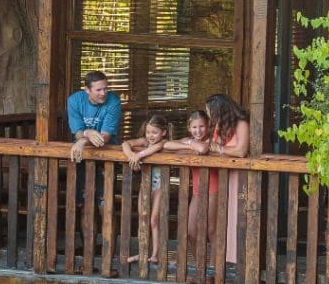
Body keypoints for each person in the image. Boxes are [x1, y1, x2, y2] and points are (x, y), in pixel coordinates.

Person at [204, 94, 250, 265]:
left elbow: (241, 150)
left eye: (210, 112)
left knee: (236, 217)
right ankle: (221, 261)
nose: (209, 116)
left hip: (238, 176)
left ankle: (238, 260)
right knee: (221, 220)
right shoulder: (220, 126)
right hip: (222, 176)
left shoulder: (241, 123)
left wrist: (220, 149)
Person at [164, 109, 217, 259]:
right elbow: (166, 145)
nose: (198, 131)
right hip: (197, 192)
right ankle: (202, 267)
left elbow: (202, 149)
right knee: (190, 231)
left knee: (211, 231)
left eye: (202, 126)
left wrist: (191, 145)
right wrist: (189, 144)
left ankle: (213, 272)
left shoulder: (212, 141)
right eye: (194, 127)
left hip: (214, 190)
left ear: (208, 127)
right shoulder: (190, 141)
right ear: (189, 128)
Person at [67, 71, 122, 212]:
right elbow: (77, 131)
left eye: (105, 88)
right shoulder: (74, 101)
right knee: (83, 205)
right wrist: (87, 134)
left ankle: (107, 235)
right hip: (83, 157)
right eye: (98, 90)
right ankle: (87, 235)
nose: (103, 93)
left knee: (105, 206)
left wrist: (82, 141)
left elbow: (105, 137)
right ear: (87, 90)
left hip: (107, 156)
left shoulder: (114, 102)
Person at [121, 113, 170, 264]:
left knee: (154, 219)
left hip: (160, 185)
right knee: (143, 217)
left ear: (164, 132)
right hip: (146, 184)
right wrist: (131, 156)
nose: (150, 136)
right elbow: (125, 144)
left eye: (154, 132)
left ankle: (155, 254)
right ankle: (142, 252)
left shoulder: (164, 143)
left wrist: (139, 155)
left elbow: (154, 149)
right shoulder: (144, 141)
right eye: (148, 132)